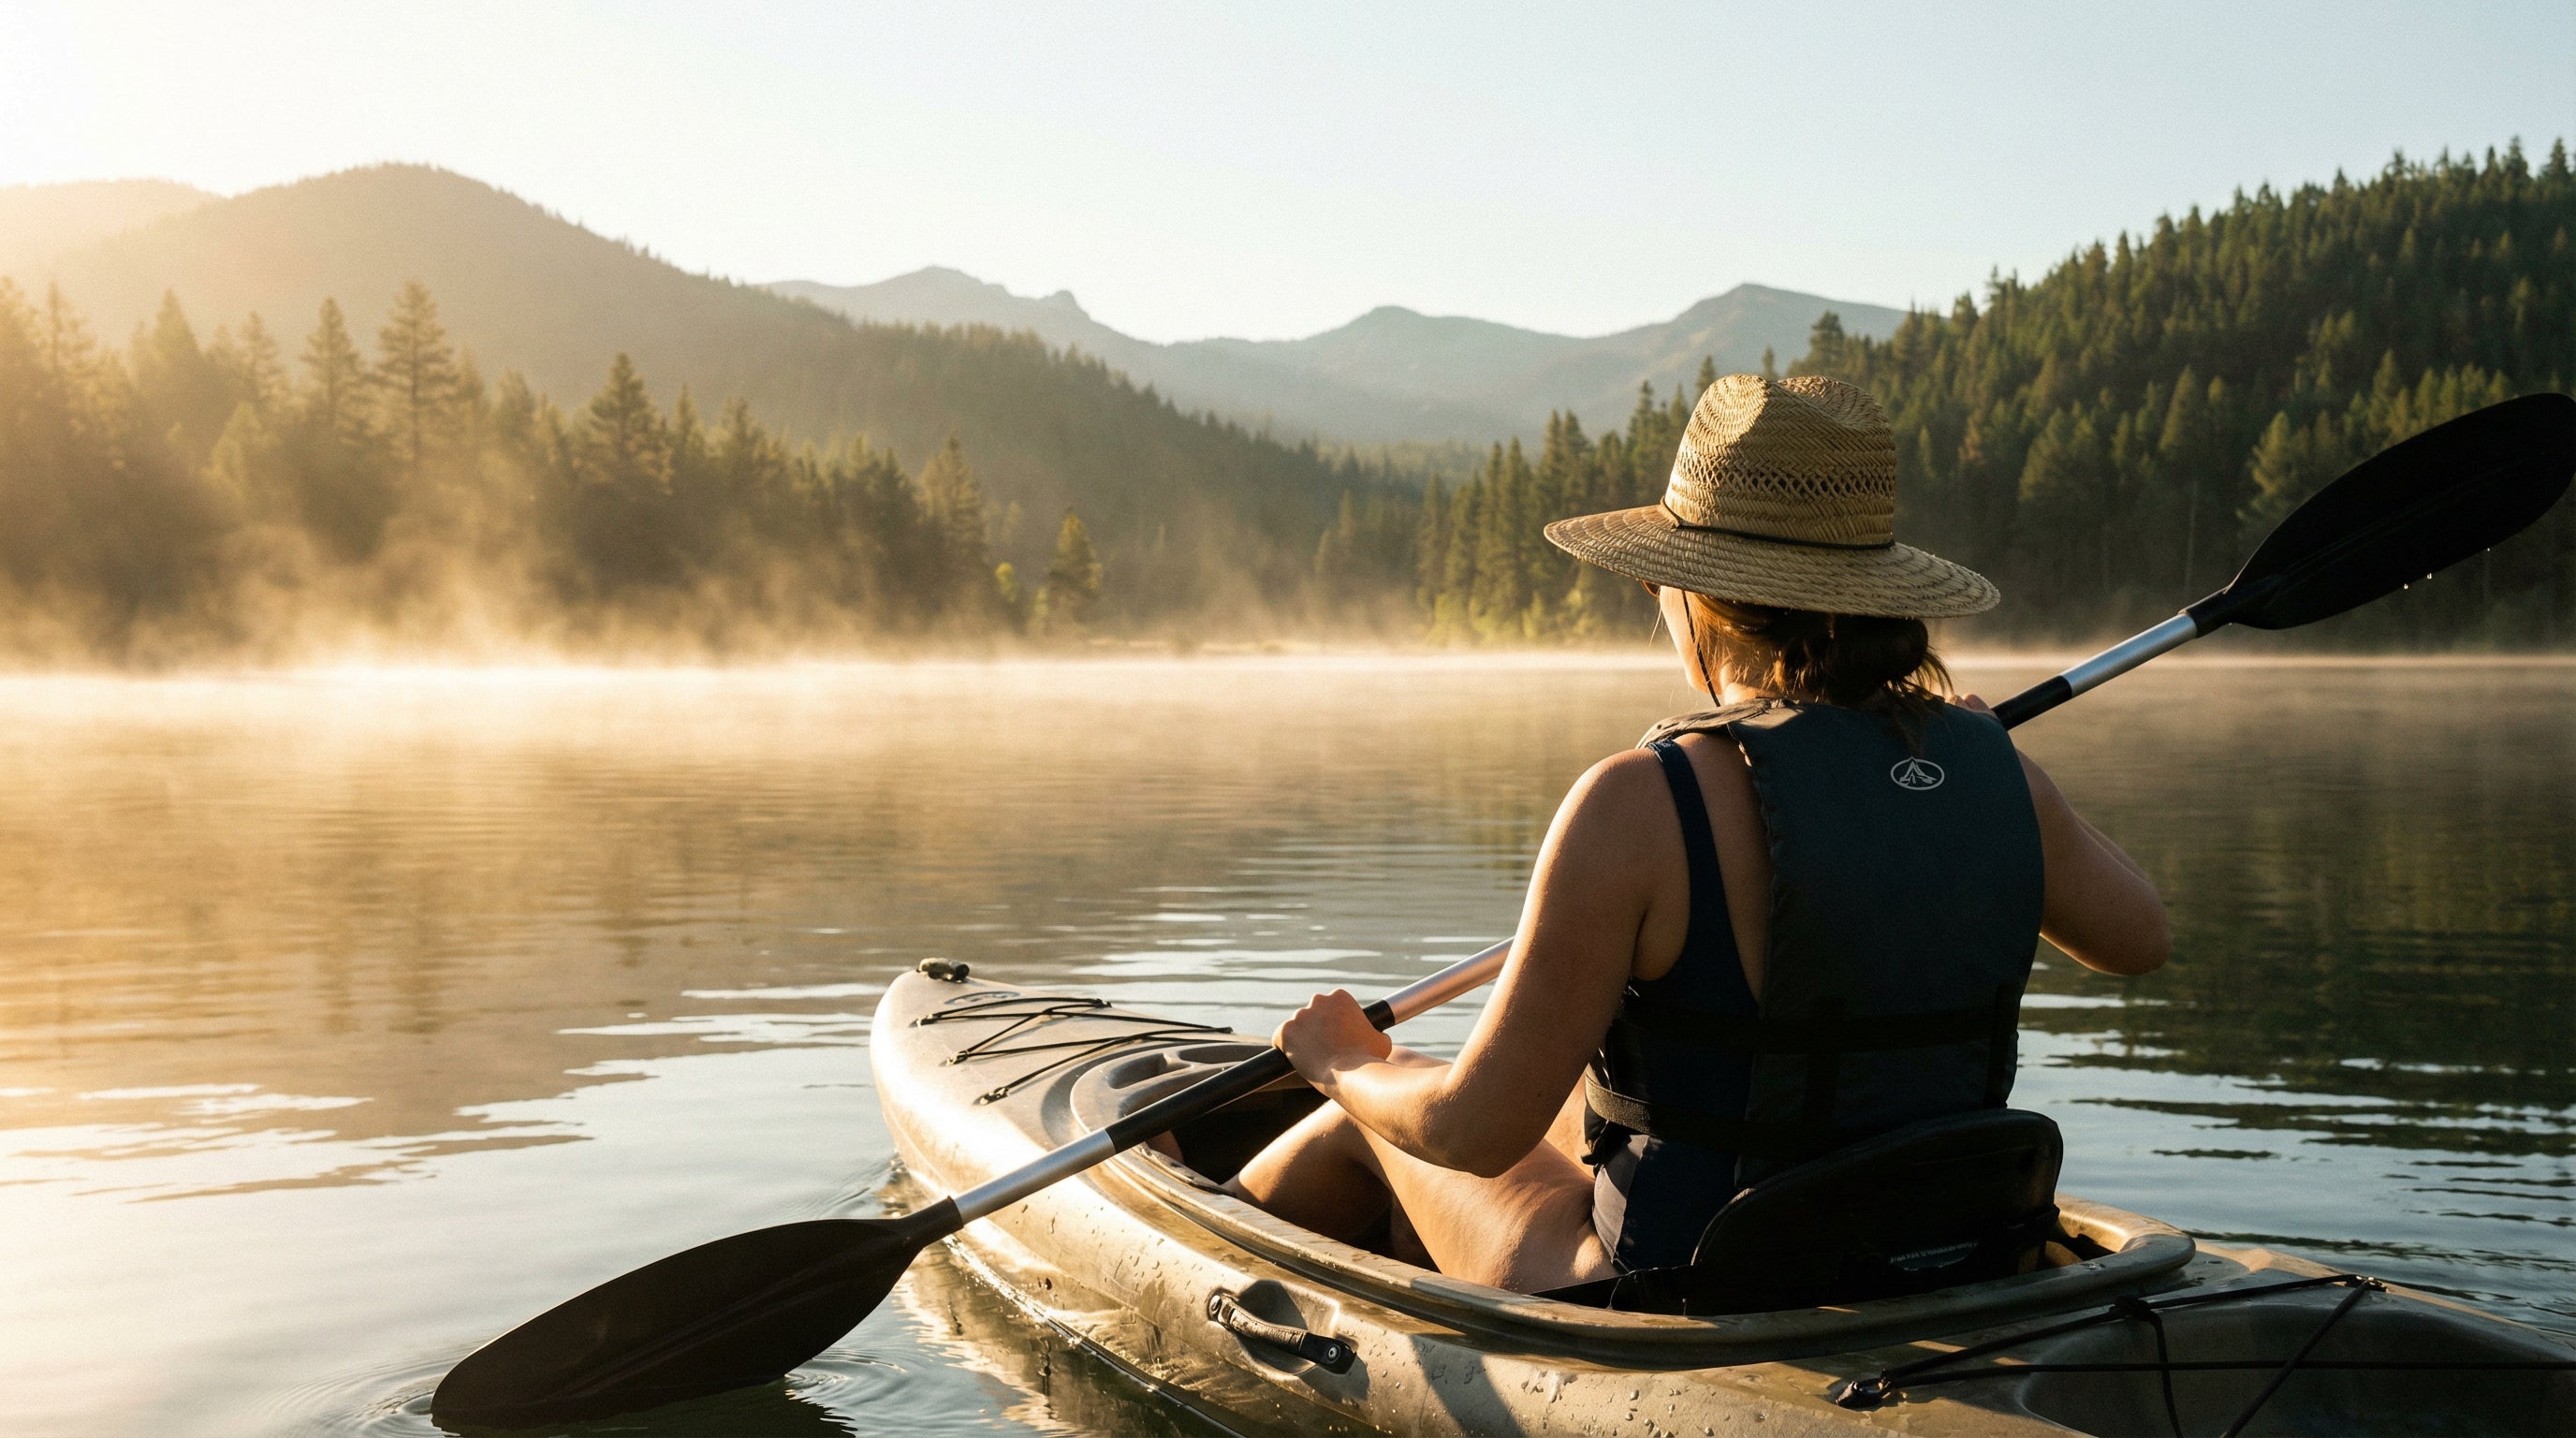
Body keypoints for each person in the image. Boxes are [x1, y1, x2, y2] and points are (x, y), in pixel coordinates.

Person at [1225, 374, 2169, 1296]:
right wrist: (1983, 765)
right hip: (1943, 1248)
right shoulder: (1997, 774)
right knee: (1563, 1108)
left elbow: (1471, 1133)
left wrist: (1343, 1059)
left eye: (1655, 581)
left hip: (1675, 1288)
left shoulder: (1639, 802)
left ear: (1699, 594)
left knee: (1363, 1117)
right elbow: (2139, 938)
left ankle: (1207, 1266)